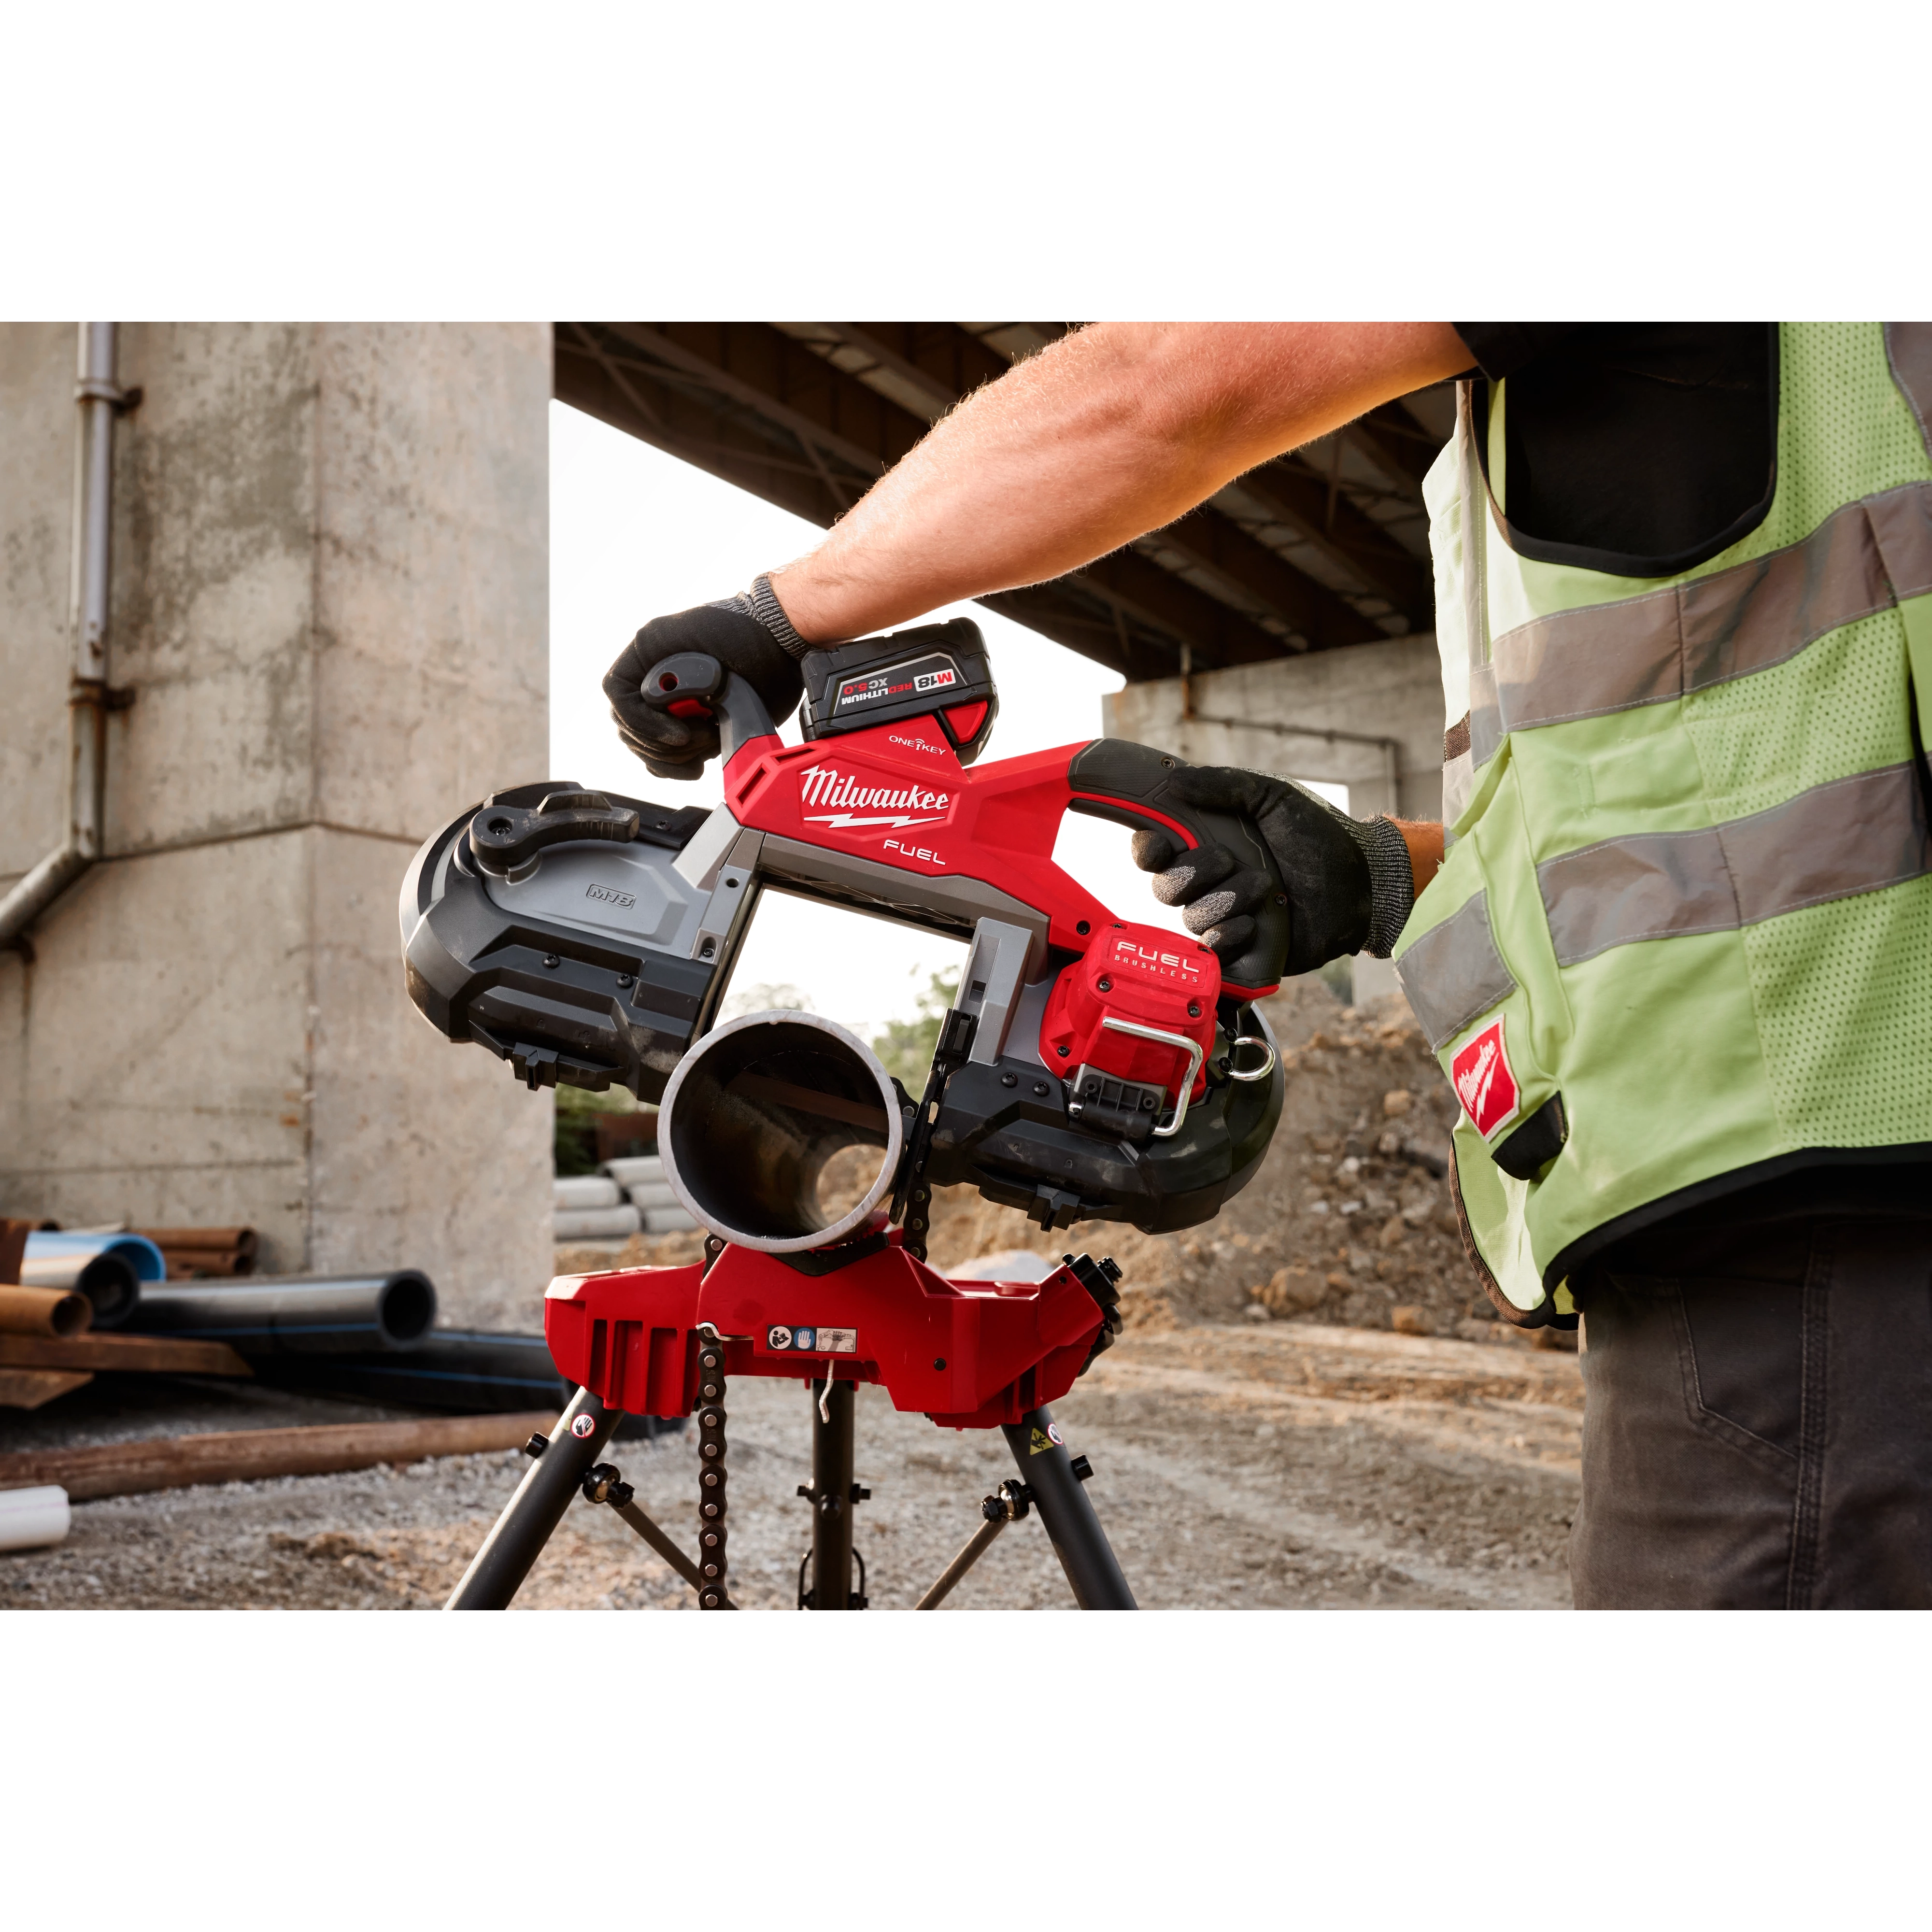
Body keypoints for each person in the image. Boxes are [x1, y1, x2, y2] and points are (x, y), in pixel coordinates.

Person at [605, 322, 1932, 1610]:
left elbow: (1169, 385)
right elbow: (1745, 764)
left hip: (1825, 1157)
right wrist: (1383, 873)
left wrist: (778, 611)